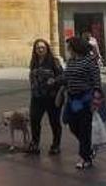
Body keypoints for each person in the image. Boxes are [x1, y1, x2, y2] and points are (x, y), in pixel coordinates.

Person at [62, 37, 101, 170]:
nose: (68, 50)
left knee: (84, 128)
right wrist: (55, 81)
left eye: (69, 47)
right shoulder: (71, 61)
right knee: (72, 125)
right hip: (73, 99)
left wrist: (96, 98)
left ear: (76, 47)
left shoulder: (89, 61)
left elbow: (96, 80)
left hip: (85, 99)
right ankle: (88, 148)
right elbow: (65, 76)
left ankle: (85, 158)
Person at [26, 39, 62, 155]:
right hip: (37, 97)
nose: (40, 50)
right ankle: (35, 143)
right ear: (35, 50)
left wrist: (54, 81)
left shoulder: (54, 62)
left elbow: (62, 77)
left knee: (54, 122)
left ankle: (56, 145)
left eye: (42, 47)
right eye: (38, 48)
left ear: (47, 48)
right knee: (34, 120)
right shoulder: (34, 62)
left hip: (52, 97)